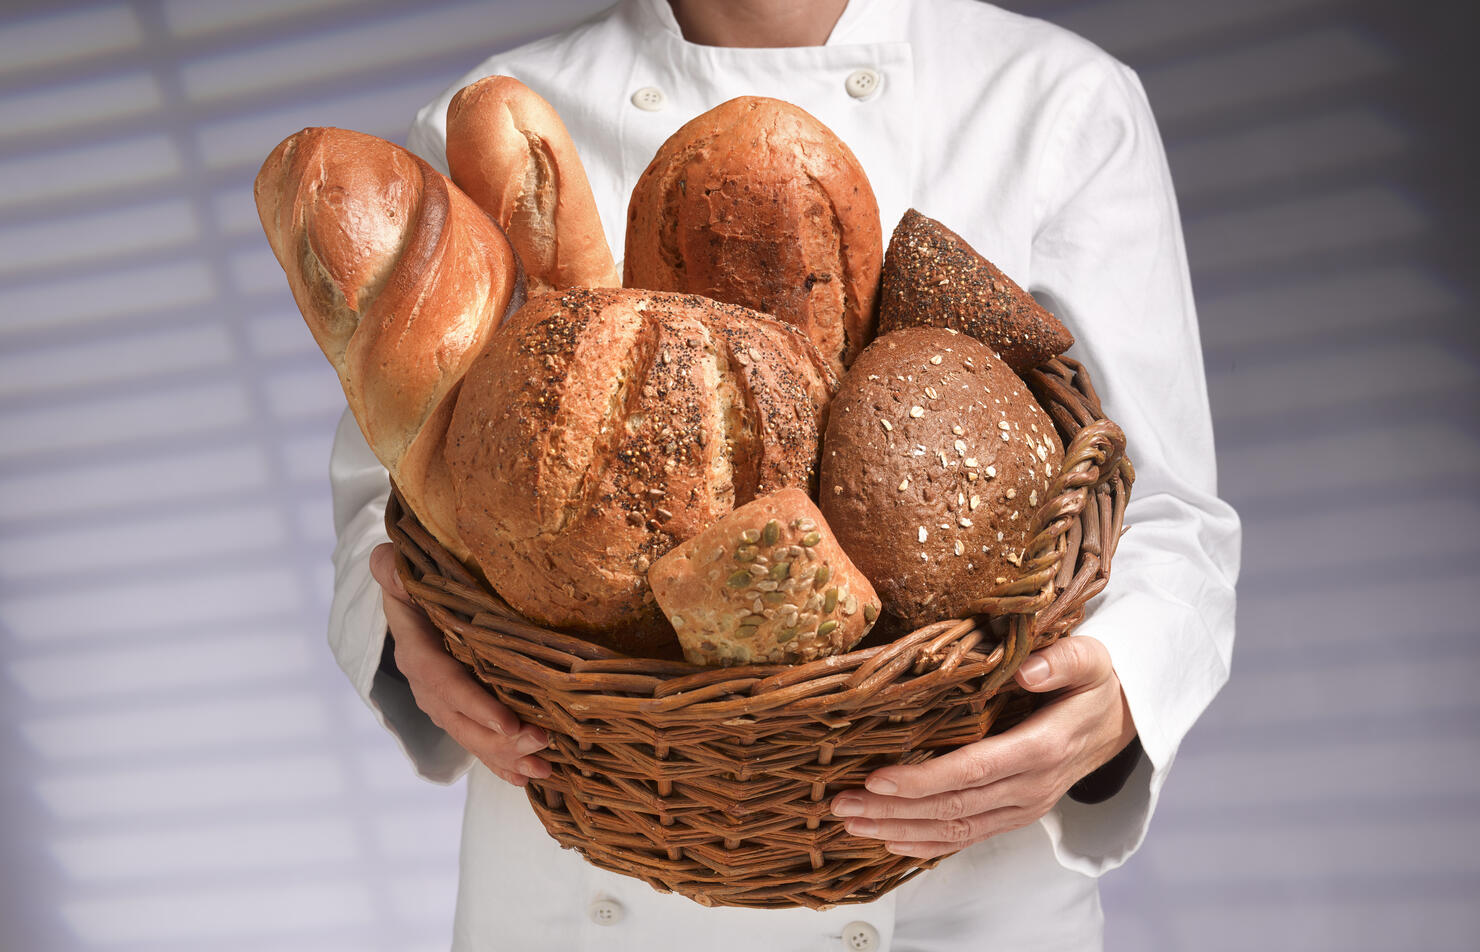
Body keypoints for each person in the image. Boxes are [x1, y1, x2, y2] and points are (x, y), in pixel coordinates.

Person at [327, 0, 1241, 948]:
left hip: (958, 894)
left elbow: (1167, 508)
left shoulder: (1060, 101)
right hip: (573, 874)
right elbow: (389, 493)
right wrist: (409, 638)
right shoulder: (486, 116)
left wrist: (1119, 690)